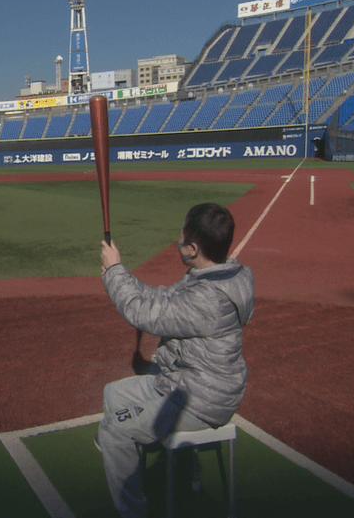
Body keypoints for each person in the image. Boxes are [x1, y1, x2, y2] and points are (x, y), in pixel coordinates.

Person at [96, 203, 254, 518]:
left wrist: (113, 271)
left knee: (116, 429)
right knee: (113, 394)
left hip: (202, 399)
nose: (177, 237)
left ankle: (132, 511)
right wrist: (120, 274)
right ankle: (134, 461)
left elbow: (143, 313)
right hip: (189, 381)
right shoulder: (225, 273)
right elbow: (165, 298)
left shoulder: (207, 299)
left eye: (182, 235)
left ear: (192, 248)